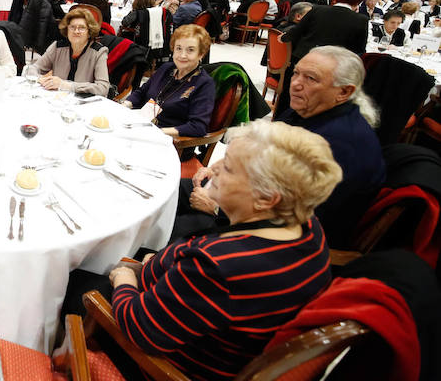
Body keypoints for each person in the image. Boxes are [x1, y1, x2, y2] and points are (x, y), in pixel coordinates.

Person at [62, 119, 340, 381]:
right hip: (207, 331)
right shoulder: (307, 227)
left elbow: (141, 329)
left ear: (266, 198)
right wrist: (159, 263)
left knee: (71, 280)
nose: (214, 168)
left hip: (162, 362)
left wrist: (124, 279)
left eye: (229, 167)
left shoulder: (218, 266)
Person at [275, 46, 384, 248]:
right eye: (296, 73)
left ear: (344, 91)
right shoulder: (305, 111)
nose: (296, 84)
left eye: (311, 79)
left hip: (297, 243)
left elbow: (291, 212)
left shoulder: (337, 143)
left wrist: (220, 205)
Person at [276, 0, 368, 115]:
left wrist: (283, 37)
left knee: (289, 94)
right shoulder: (361, 20)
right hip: (331, 72)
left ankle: (281, 118)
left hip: (303, 62)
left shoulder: (317, 9)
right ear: (359, 2)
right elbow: (358, 51)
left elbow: (294, 33)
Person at [123, 24, 215, 138]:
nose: (182, 55)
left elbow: (198, 127)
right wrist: (125, 105)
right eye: (178, 48)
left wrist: (159, 133)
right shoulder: (166, 68)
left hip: (171, 141)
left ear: (201, 54)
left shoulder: (204, 84)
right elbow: (141, 92)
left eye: (190, 50)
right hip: (143, 127)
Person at [35, 8, 110, 96]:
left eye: (81, 28)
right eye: (72, 27)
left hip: (83, 104)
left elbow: (103, 88)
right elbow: (34, 68)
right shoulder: (57, 47)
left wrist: (67, 86)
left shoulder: (98, 52)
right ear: (67, 30)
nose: (76, 31)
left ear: (89, 32)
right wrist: (39, 78)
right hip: (57, 100)